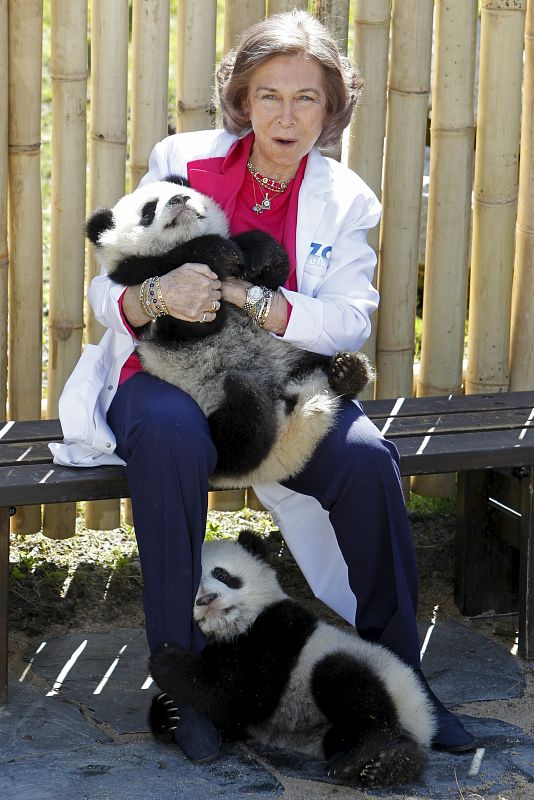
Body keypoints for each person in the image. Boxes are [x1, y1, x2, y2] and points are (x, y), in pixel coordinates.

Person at [52, 10, 476, 763]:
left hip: (276, 390)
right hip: (167, 376)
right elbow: (106, 284)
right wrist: (156, 297)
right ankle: (186, 685)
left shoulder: (348, 200)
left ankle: (403, 678)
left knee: (368, 459)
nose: (286, 114)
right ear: (243, 101)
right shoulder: (182, 160)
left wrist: (256, 300)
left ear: (332, 107)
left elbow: (349, 319)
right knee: (172, 440)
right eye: (269, 95)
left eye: (306, 97)